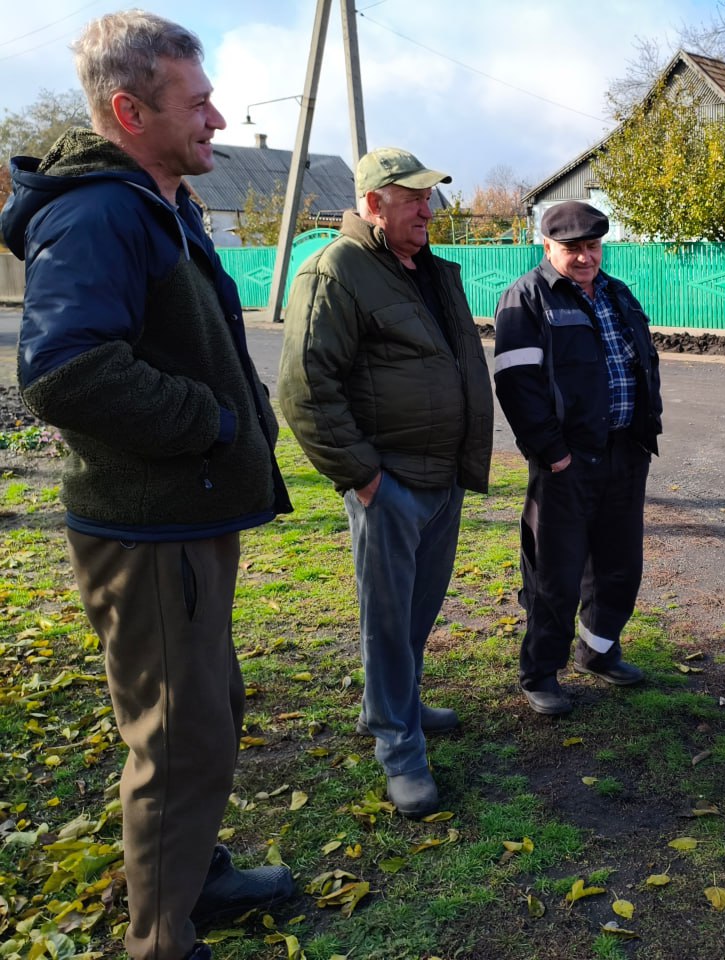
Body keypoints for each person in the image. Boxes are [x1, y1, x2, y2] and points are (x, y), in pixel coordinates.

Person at [0, 11, 295, 960]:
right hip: (152, 529)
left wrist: (240, 413)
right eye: (198, 101)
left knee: (203, 716)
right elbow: (63, 371)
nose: (216, 118)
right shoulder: (100, 212)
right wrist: (214, 423)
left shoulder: (158, 199)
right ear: (130, 109)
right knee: (176, 744)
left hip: (184, 516)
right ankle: (163, 942)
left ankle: (194, 878)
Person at [278, 147, 493, 818]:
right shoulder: (336, 272)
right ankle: (398, 746)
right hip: (390, 484)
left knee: (418, 612)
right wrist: (366, 480)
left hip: (441, 478)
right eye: (413, 199)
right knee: (387, 621)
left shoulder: (426, 270)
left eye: (429, 197)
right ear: (373, 203)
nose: (429, 210)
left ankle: (401, 703)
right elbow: (305, 390)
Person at [493, 201, 662, 715]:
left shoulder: (617, 293)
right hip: (565, 462)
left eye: (592, 246)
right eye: (573, 249)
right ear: (547, 247)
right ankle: (540, 672)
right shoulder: (528, 298)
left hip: (625, 453)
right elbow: (515, 383)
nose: (586, 257)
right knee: (554, 576)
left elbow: (640, 363)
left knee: (619, 567)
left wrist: (645, 432)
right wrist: (552, 452)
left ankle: (599, 650)